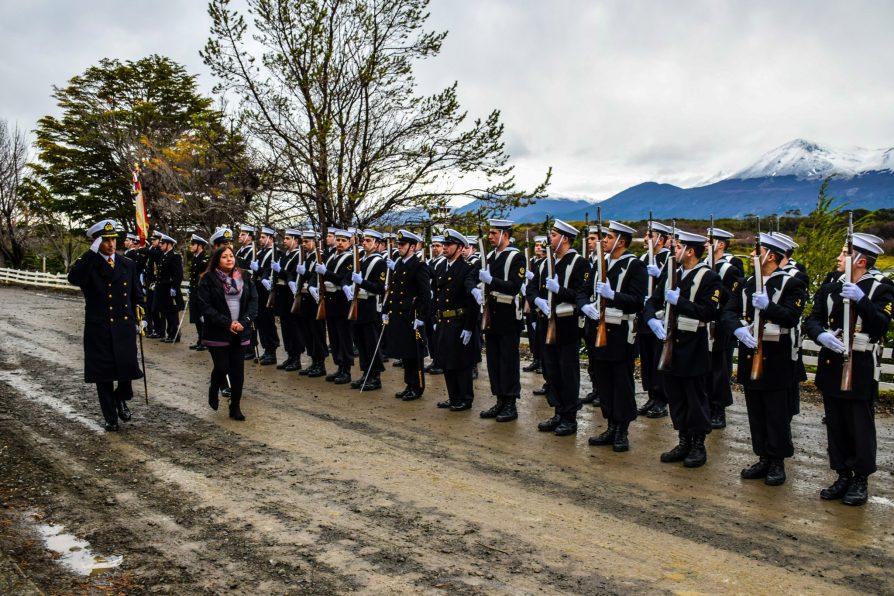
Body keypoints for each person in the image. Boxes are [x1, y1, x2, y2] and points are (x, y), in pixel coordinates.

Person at [804, 234, 893, 506]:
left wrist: (862, 300)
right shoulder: (832, 285)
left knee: (859, 425)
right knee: (836, 423)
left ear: (861, 260)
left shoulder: (882, 287)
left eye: (844, 254)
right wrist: (821, 336)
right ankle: (842, 474)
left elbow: (880, 326)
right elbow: (813, 319)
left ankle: (860, 479)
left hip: (861, 365)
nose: (838, 258)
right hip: (832, 363)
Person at [722, 232, 806, 485]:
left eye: (757, 251)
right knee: (755, 410)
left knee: (776, 412)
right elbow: (729, 311)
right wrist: (737, 328)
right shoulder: (748, 283)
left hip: (778, 358)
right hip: (751, 354)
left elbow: (791, 316)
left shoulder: (792, 283)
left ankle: (777, 461)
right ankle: (763, 456)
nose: (751, 255)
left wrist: (768, 306)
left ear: (770, 255)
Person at [643, 230, 721, 468]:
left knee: (694, 398)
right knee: (676, 396)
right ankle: (683, 440)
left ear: (690, 251)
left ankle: (698, 445)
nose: (673, 251)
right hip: (670, 345)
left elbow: (710, 312)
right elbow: (652, 302)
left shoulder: (709, 277)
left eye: (678, 247)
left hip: (693, 346)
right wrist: (651, 320)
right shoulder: (672, 274)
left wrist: (681, 303)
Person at [67, 219, 144, 431]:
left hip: (124, 327)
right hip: (99, 328)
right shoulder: (88, 263)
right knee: (104, 375)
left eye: (113, 239)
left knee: (128, 371)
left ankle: (121, 398)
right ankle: (110, 417)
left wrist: (141, 314)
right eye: (105, 240)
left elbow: (137, 293)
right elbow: (74, 278)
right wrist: (91, 253)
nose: (111, 244)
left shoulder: (127, 264)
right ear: (96, 242)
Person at [578, 221, 647, 451]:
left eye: (608, 237)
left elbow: (637, 301)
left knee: (621, 382)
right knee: (603, 381)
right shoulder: (599, 262)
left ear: (621, 241)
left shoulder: (634, 266)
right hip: (598, 329)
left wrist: (613, 295)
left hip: (620, 333)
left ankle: (622, 430)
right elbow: (583, 291)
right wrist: (584, 305)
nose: (604, 240)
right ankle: (610, 424)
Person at [530, 219, 588, 436]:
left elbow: (582, 294)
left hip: (567, 325)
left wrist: (560, 290)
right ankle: (557, 411)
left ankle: (569, 417)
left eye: (554, 235)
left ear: (565, 239)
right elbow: (531, 288)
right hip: (547, 324)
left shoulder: (579, 263)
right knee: (551, 370)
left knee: (567, 372)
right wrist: (537, 300)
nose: (549, 238)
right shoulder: (545, 263)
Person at [196, 246, 258, 421]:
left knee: (238, 372)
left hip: (240, 330)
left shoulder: (245, 277)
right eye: (224, 257)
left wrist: (244, 322)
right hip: (218, 331)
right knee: (222, 366)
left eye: (231, 256)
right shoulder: (208, 279)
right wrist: (227, 323)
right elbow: (205, 306)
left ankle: (235, 406)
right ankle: (214, 387)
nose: (229, 259)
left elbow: (254, 302)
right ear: (217, 260)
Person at [475, 219, 527, 422]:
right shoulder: (489, 256)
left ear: (505, 235)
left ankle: (511, 403)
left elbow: (514, 286)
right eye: (490, 233)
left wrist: (491, 281)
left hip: (508, 316)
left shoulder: (516, 257)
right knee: (494, 362)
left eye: (494, 233)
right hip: (492, 315)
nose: (490, 237)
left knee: (508, 362)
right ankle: (499, 399)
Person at [432, 229, 479, 410]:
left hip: (459, 322)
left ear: (460, 248)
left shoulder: (467, 268)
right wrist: (436, 317)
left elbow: (472, 302)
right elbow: (438, 295)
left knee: (461, 363)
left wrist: (469, 327)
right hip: (444, 321)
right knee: (446, 362)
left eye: (448, 245)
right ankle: (453, 397)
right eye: (443, 244)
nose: (444, 248)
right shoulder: (442, 267)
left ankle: (465, 399)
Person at [384, 229, 432, 401]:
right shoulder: (400, 264)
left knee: (415, 355)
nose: (399, 247)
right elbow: (394, 290)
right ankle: (409, 384)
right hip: (400, 316)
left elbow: (425, 295)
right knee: (405, 354)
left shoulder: (419, 266)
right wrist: (386, 310)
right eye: (399, 244)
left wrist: (420, 317)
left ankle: (417, 387)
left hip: (412, 317)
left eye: (402, 244)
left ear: (412, 247)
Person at [704, 227, 744, 429]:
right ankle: (706, 405)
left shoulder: (730, 269)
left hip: (720, 325)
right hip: (703, 324)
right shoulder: (703, 266)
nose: (705, 244)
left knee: (720, 369)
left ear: (720, 244)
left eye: (709, 241)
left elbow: (731, 299)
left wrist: (715, 289)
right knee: (706, 367)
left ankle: (719, 408)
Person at [638, 221, 673, 418]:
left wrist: (660, 276)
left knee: (659, 356)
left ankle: (662, 399)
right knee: (647, 358)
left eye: (650, 235)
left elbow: (671, 287)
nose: (646, 239)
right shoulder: (644, 258)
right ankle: (651, 394)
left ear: (661, 239)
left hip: (660, 316)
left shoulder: (670, 258)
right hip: (645, 314)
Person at [316, 228, 356, 384]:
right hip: (331, 302)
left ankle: (346, 370)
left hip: (342, 303)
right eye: (338, 240)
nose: (339, 243)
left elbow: (343, 278)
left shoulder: (350, 258)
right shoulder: (332, 257)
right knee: (334, 337)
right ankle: (339, 366)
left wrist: (326, 273)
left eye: (343, 241)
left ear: (348, 242)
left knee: (344, 337)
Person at [350, 229, 388, 390]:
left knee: (371, 343)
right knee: (361, 343)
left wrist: (362, 282)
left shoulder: (379, 262)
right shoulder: (362, 259)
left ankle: (375, 376)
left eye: (368, 240)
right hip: (359, 306)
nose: (364, 243)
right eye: (364, 240)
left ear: (377, 243)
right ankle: (366, 373)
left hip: (371, 308)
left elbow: (380, 288)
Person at [272, 228, 306, 371]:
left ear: (295, 241)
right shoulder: (285, 255)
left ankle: (296, 357)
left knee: (294, 327)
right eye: (284, 238)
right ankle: (290, 355)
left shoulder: (299, 255)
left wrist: (280, 271)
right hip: (282, 294)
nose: (284, 241)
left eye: (287, 238)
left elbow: (292, 274)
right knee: (285, 327)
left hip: (291, 294)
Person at [298, 230, 330, 377]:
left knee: (317, 332)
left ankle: (320, 363)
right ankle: (313, 361)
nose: (304, 244)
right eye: (303, 241)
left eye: (307, 241)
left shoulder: (321, 256)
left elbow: (317, 276)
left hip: (315, 300)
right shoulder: (307, 257)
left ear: (315, 242)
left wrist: (305, 274)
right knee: (308, 332)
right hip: (306, 299)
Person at [251, 226, 281, 365]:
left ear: (271, 239)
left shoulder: (276, 253)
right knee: (260, 321)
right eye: (261, 237)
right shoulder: (261, 253)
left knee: (268, 321)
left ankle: (271, 350)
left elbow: (270, 271)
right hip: (258, 289)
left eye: (264, 237)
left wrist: (259, 270)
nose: (260, 239)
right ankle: (266, 350)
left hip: (267, 291)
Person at [153, 233, 185, 343]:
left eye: (162, 243)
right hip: (163, 289)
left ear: (169, 244)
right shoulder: (164, 256)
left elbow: (178, 275)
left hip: (170, 289)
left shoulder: (174, 256)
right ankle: (169, 333)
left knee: (172, 314)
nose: (160, 245)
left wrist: (174, 287)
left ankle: (175, 334)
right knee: (166, 313)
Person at [188, 234, 210, 350]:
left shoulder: (205, 258)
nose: (190, 246)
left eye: (193, 244)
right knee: (196, 316)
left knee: (202, 317)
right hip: (194, 291)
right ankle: (200, 339)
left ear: (200, 246)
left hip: (201, 292)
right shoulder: (195, 257)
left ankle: (205, 341)